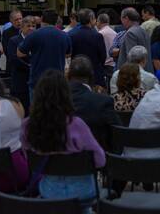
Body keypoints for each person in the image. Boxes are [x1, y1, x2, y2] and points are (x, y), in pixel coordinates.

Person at [22, 69, 105, 213]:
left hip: (49, 190)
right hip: (82, 192)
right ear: (66, 95)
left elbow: (27, 157)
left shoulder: (28, 126)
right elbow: (100, 160)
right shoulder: (76, 124)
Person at [68, 56, 121, 150]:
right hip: (96, 155)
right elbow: (118, 133)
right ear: (92, 77)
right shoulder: (103, 102)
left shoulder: (54, 100)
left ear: (68, 76)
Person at [18, 9, 72, 101]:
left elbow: (20, 53)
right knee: (56, 108)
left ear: (42, 18)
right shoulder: (65, 36)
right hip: (57, 81)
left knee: (37, 108)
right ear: (56, 20)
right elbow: (68, 54)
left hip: (37, 81)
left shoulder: (34, 35)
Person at [69, 8, 107, 87]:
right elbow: (103, 56)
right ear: (91, 19)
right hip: (94, 74)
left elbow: (69, 53)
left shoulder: (71, 34)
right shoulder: (97, 36)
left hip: (76, 73)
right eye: (94, 18)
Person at [7, 16, 35, 115]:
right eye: (28, 26)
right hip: (19, 80)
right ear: (22, 27)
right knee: (20, 111)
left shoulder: (37, 40)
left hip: (33, 81)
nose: (31, 28)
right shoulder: (14, 40)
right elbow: (13, 59)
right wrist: (29, 67)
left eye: (33, 26)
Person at [117, 7, 153, 73]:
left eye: (121, 19)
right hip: (146, 71)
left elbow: (132, 58)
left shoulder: (130, 33)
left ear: (126, 18)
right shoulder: (144, 31)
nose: (122, 22)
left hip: (134, 74)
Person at [97, 13, 117, 84]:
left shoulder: (100, 34)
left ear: (99, 22)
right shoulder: (115, 33)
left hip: (104, 65)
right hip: (114, 65)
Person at [1, 9, 23, 73]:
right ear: (11, 21)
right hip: (12, 66)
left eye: (20, 18)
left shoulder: (27, 31)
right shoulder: (6, 33)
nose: (19, 21)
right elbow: (6, 51)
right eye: (16, 19)